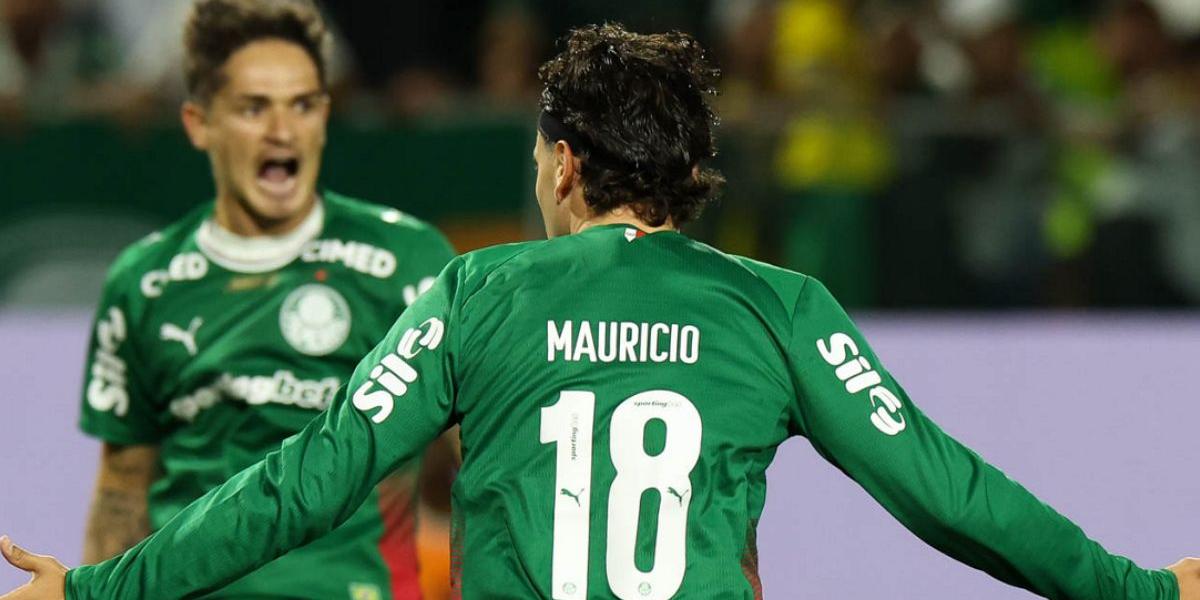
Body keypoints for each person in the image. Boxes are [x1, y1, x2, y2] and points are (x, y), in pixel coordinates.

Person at [3, 22, 1198, 600]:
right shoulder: (781, 309)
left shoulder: (475, 289)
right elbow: (948, 493)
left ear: (566, 165)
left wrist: (106, 588)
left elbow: (311, 477)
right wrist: (1140, 592)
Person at [28, 1, 457, 598]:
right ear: (199, 123)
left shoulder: (410, 263)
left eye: (303, 104)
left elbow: (472, 462)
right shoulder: (145, 282)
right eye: (254, 107)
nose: (283, 130)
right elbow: (122, 492)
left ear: (326, 116)